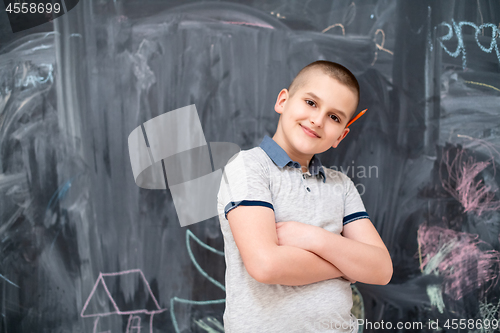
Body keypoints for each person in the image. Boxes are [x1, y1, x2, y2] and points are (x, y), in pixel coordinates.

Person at [217, 60, 393, 333]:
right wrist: (348, 267)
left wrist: (312, 237)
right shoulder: (248, 166)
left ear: (341, 136)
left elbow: (381, 269)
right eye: (311, 103)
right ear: (283, 101)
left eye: (334, 117)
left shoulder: (341, 185)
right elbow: (266, 265)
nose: (318, 120)